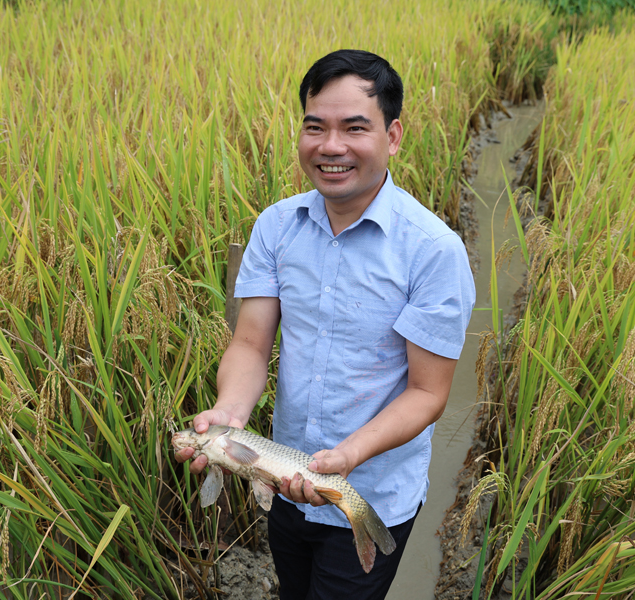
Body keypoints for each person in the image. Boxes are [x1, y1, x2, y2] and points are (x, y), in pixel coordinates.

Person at [175, 49, 475, 599]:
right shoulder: (277, 226)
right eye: (315, 127)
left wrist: (347, 459)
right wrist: (231, 416)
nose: (330, 146)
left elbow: (428, 393)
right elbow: (249, 343)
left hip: (373, 490)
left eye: (354, 127)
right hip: (284, 479)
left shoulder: (433, 251)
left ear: (393, 135)